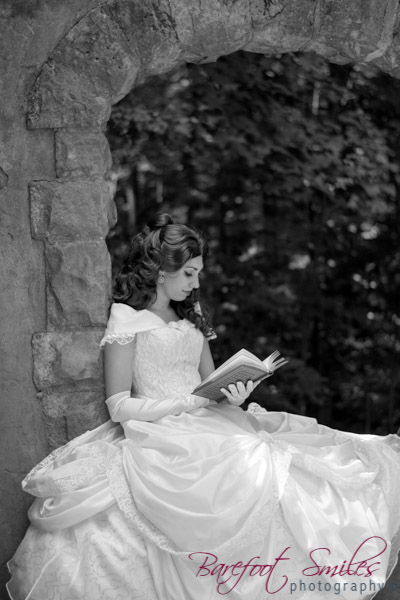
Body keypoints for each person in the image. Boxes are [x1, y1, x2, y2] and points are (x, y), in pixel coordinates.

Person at [6, 213, 400, 600]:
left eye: (198, 273)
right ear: (161, 271)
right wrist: (190, 402)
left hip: (210, 418)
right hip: (159, 430)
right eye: (189, 273)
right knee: (249, 467)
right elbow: (118, 406)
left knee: (279, 459)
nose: (196, 283)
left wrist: (235, 394)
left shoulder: (190, 316)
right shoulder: (126, 319)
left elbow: (209, 383)